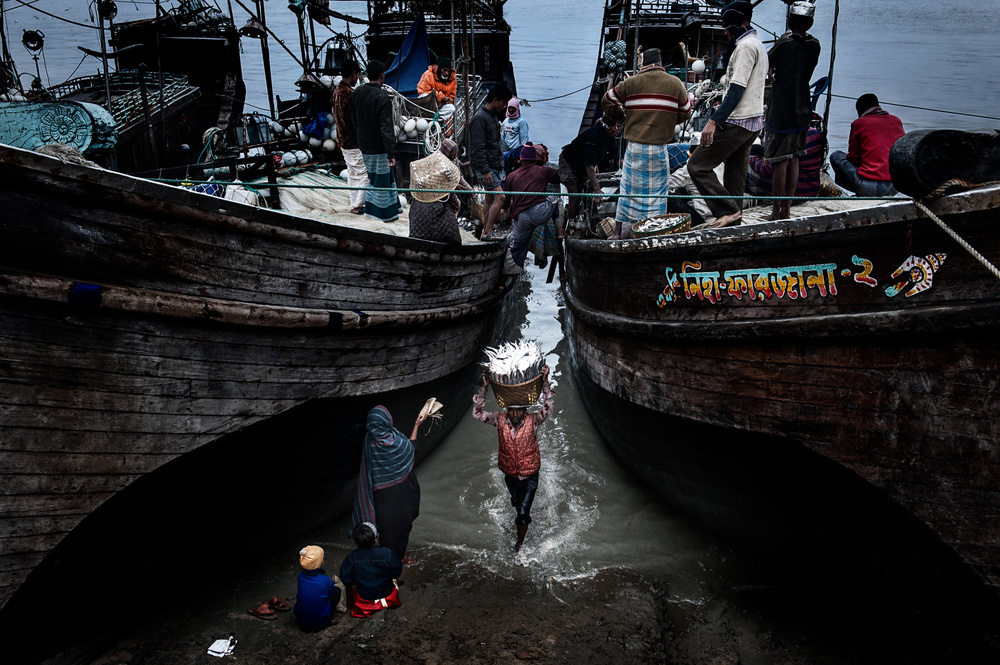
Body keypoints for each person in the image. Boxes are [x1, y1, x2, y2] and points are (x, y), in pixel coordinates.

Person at [687, 0, 768, 228]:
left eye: (726, 24)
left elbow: (737, 89)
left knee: (697, 166)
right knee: (734, 174)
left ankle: (727, 210)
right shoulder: (757, 43)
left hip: (739, 120)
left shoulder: (744, 47)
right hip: (753, 122)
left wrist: (714, 121)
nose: (724, 30)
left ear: (735, 21)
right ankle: (734, 220)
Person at [602, 47, 691, 239]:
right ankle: (654, 233)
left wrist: (621, 116)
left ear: (643, 64)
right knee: (658, 195)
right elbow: (686, 112)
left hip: (635, 147)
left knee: (627, 191)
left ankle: (617, 233)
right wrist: (665, 121)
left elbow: (607, 100)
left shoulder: (631, 82)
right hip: (659, 148)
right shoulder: (675, 83)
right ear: (659, 64)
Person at [472, 365, 554, 552]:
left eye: (519, 410)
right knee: (517, 504)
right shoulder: (499, 419)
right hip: (510, 474)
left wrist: (545, 383)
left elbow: (548, 409)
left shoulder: (534, 420)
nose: (516, 414)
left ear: (526, 410)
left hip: (530, 475)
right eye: (512, 410)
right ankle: (518, 508)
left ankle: (519, 544)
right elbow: (477, 414)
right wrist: (483, 388)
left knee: (523, 514)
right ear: (507, 409)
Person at [761, 1, 821, 220]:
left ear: (790, 21)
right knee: (794, 158)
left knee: (780, 161)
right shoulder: (815, 45)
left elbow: (765, 61)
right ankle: (786, 209)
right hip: (803, 108)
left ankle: (776, 211)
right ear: (811, 23)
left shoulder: (785, 44)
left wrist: (771, 72)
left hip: (782, 110)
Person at [352, 405, 426, 561]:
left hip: (380, 500)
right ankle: (395, 566)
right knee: (400, 531)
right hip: (402, 499)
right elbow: (412, 448)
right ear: (387, 421)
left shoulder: (369, 441)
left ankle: (388, 561)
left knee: (386, 532)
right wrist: (416, 425)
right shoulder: (398, 443)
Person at [354, 60, 402, 222]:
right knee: (380, 181)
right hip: (379, 147)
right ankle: (379, 215)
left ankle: (390, 211)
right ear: (382, 76)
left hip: (364, 144)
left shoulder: (359, 92)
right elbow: (386, 128)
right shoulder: (382, 97)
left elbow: (354, 118)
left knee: (378, 178)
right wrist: (391, 152)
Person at [830, 93, 905, 197]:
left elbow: (853, 158)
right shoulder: (896, 121)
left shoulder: (859, 123)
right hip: (896, 186)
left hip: (869, 187)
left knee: (836, 156)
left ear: (860, 111)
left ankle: (860, 191)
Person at [503, 144, 561, 267]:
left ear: (521, 159)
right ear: (535, 160)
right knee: (557, 198)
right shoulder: (544, 171)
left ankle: (504, 282)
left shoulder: (512, 176)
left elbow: (506, 201)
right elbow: (563, 177)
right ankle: (560, 230)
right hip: (540, 213)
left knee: (517, 248)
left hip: (521, 216)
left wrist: (505, 212)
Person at [558, 115, 623, 221]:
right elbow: (589, 166)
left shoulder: (610, 138)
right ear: (607, 127)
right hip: (569, 162)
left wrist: (632, 171)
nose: (619, 130)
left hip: (583, 164)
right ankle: (572, 223)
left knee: (584, 190)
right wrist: (596, 189)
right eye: (618, 127)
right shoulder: (592, 137)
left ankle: (583, 217)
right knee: (575, 195)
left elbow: (618, 160)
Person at [469, 84, 513, 238]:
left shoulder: (492, 117)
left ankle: (483, 232)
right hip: (485, 167)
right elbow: (477, 148)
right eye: (503, 103)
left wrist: (500, 166)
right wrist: (485, 170)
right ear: (495, 100)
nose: (504, 107)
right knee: (500, 197)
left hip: (494, 165)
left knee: (489, 197)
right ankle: (488, 231)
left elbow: (496, 144)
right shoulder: (479, 119)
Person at [339, 522, 403, 618]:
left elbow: (345, 578)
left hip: (364, 597)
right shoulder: (387, 553)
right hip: (386, 593)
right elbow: (397, 571)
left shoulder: (352, 557)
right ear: (376, 539)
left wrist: (357, 581)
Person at [746, 126, 825, 202]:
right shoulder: (814, 132)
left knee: (744, 167)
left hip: (794, 193)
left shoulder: (784, 138)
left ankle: (759, 197)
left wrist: (751, 158)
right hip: (813, 190)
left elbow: (766, 170)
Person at [332, 59, 369, 215]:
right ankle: (359, 205)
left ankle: (354, 203)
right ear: (354, 74)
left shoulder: (335, 92)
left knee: (352, 173)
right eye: (357, 75)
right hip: (354, 141)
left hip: (343, 141)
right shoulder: (352, 94)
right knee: (365, 173)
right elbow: (356, 122)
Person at [408, 150, 463, 244]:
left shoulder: (419, 194)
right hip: (441, 233)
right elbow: (456, 205)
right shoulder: (444, 189)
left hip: (417, 232)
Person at [293, 545, 343, 631]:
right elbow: (333, 593)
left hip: (301, 620)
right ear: (320, 564)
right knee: (337, 591)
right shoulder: (325, 580)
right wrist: (329, 583)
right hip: (320, 623)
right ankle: (328, 619)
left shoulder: (300, 576)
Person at [501, 97, 530, 163]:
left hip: (516, 151)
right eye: (510, 108)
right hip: (506, 150)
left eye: (513, 108)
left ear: (517, 109)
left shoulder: (521, 122)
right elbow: (503, 137)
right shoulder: (505, 121)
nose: (511, 110)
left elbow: (524, 140)